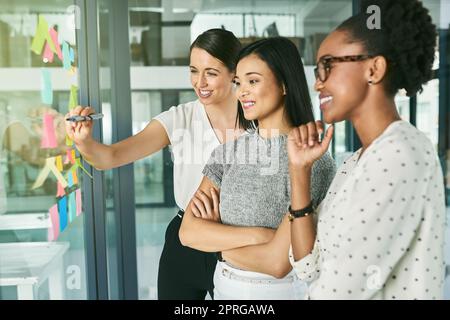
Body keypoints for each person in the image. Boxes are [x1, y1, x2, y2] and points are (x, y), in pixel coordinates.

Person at [65, 29, 274, 300]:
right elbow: (110, 157)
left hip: (240, 241)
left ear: (235, 72)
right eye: (193, 71)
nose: (200, 82)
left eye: (211, 72)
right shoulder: (179, 119)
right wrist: (84, 142)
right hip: (186, 239)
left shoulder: (260, 121)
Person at [288, 0, 446, 299]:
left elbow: (338, 292)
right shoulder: (356, 163)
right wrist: (299, 170)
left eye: (327, 66)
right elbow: (308, 268)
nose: (318, 84)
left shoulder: (401, 154)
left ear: (374, 68)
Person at [179, 37, 336, 300]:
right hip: (223, 287)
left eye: (253, 81)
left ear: (284, 84)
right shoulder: (227, 153)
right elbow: (188, 233)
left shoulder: (312, 161)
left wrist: (217, 243)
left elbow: (277, 263)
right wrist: (262, 235)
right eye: (239, 83)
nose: (241, 92)